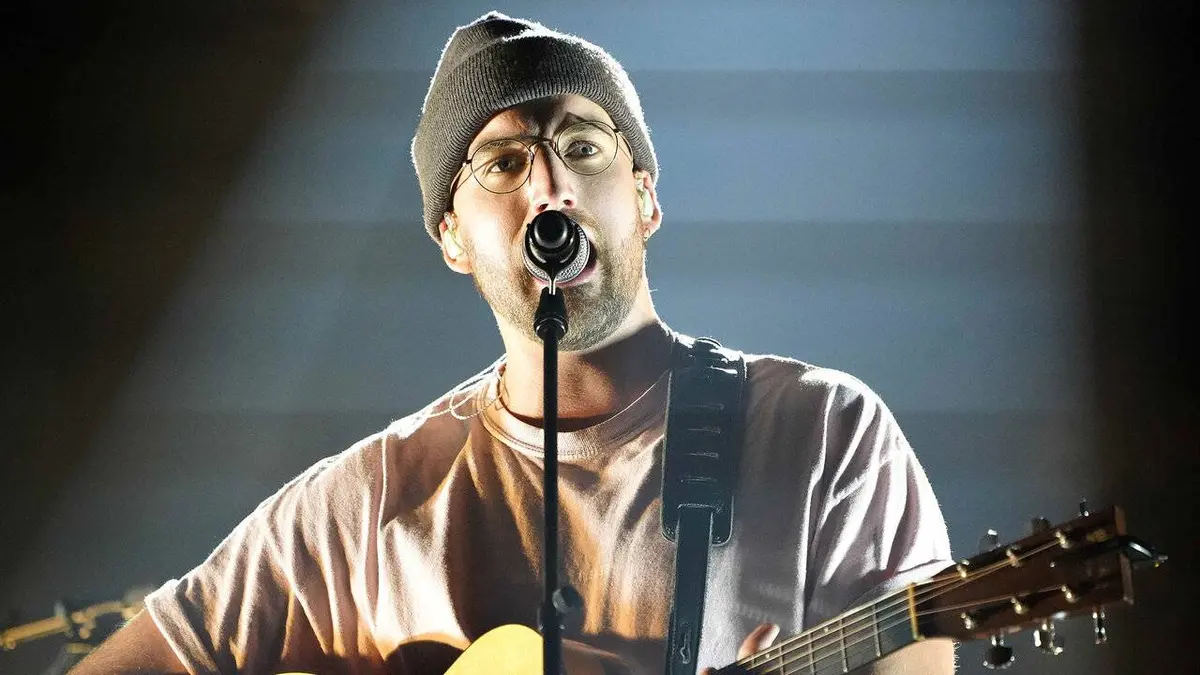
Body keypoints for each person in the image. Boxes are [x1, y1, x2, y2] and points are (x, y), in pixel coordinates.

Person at [71, 11, 955, 675]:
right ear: (452, 236)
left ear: (645, 197)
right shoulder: (367, 506)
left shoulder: (824, 434)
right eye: (502, 163)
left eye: (584, 146)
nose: (551, 187)